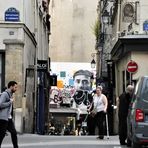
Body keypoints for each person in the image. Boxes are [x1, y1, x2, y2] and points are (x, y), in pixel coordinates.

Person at [0, 81, 19, 148]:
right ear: (11, 86)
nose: (16, 89)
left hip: (8, 118)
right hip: (3, 118)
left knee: (14, 133)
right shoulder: (5, 94)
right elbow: (0, 104)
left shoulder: (10, 94)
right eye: (15, 87)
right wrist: (9, 102)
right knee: (1, 135)